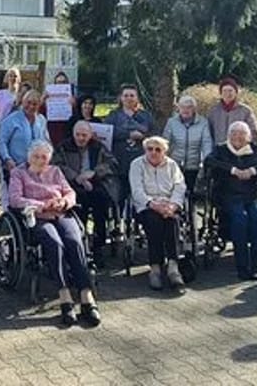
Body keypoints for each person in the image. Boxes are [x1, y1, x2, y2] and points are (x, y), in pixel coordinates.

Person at [9, 140, 100, 327]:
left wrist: (64, 202)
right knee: (54, 243)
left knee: (74, 241)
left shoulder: (55, 172)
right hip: (38, 216)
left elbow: (70, 192)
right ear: (29, 157)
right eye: (36, 156)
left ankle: (86, 295)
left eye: (44, 157)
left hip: (61, 213)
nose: (40, 160)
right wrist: (42, 205)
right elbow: (15, 199)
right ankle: (64, 295)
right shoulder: (19, 173)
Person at [205, 121, 257, 281]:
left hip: (254, 194)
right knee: (240, 218)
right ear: (229, 136)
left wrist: (253, 171)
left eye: (241, 134)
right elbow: (209, 162)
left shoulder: (256, 150)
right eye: (234, 133)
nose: (237, 137)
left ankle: (256, 267)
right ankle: (242, 267)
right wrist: (233, 170)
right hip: (229, 194)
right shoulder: (221, 150)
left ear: (248, 137)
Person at [53, 121, 119, 267]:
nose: (81, 138)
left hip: (95, 182)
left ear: (90, 135)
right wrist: (76, 177)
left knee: (101, 202)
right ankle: (79, 244)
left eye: (84, 135)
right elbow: (56, 165)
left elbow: (112, 163)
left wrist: (94, 173)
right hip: (71, 184)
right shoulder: (64, 147)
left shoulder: (98, 147)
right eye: (78, 134)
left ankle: (98, 245)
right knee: (79, 203)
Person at [129, 137, 187, 292]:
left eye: (158, 149)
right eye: (150, 149)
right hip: (146, 206)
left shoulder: (172, 165)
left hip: (169, 204)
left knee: (172, 221)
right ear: (145, 150)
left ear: (164, 152)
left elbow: (180, 187)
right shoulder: (136, 164)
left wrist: (173, 205)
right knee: (154, 221)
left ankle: (173, 268)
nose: (153, 152)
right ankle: (155, 268)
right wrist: (152, 204)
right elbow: (136, 190)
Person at [104, 84, 154, 204]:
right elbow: (108, 132)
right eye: (125, 95)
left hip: (140, 161)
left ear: (137, 98)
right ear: (121, 98)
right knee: (120, 195)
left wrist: (142, 136)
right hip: (119, 161)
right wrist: (129, 134)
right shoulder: (113, 115)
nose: (129, 98)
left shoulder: (146, 116)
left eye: (132, 95)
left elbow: (152, 134)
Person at [0, 89, 50, 203]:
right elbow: (1, 141)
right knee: (13, 198)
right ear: (22, 102)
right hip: (14, 166)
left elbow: (46, 142)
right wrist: (7, 159)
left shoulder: (41, 120)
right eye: (28, 102)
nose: (31, 106)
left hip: (35, 168)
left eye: (35, 104)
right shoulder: (11, 119)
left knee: (31, 198)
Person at [162, 95, 213, 195]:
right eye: (183, 107)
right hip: (175, 164)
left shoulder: (203, 123)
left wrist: (206, 161)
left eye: (189, 107)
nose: (186, 110)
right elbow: (165, 142)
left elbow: (206, 143)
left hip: (194, 165)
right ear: (178, 108)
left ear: (194, 109)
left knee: (191, 193)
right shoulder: (171, 122)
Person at [207, 76, 257, 145]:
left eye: (230, 91)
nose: (227, 94)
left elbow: (254, 131)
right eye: (224, 91)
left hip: (239, 150)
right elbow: (208, 132)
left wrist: (245, 144)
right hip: (219, 149)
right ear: (220, 93)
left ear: (236, 92)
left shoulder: (245, 111)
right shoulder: (214, 111)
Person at [44, 71, 77, 147]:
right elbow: (42, 115)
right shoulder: (48, 98)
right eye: (58, 82)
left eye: (63, 82)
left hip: (67, 133)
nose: (61, 84)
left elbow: (77, 118)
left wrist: (74, 106)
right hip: (52, 131)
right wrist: (43, 102)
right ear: (55, 83)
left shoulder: (73, 99)